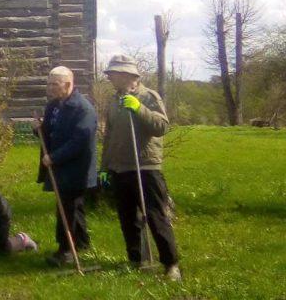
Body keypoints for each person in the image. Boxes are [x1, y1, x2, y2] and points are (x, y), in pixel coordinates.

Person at [100, 54, 181, 281]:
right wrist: (105, 167)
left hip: (145, 166)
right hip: (120, 167)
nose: (109, 78)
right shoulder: (114, 101)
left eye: (113, 74)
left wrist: (139, 108)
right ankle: (135, 259)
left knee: (155, 215)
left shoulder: (148, 97)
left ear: (128, 75)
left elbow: (162, 126)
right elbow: (110, 136)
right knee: (127, 217)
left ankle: (171, 264)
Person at [36, 66, 97, 267]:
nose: (50, 88)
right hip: (60, 166)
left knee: (67, 208)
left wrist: (54, 158)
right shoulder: (54, 105)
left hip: (76, 168)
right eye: (49, 83)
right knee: (74, 207)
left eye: (55, 84)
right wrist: (39, 130)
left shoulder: (83, 109)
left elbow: (80, 140)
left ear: (69, 84)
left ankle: (66, 250)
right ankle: (81, 242)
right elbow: (53, 131)